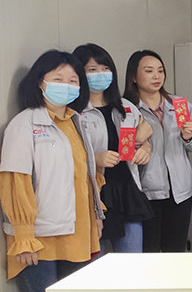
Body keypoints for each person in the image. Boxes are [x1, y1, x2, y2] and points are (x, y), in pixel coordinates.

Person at [0, 50, 104, 292]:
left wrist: (96, 216)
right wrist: (24, 236)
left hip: (78, 235)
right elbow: (16, 182)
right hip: (39, 241)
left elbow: (86, 177)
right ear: (40, 83)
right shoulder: (24, 125)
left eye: (73, 81)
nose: (66, 86)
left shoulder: (77, 122)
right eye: (58, 79)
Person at [74, 43, 154, 253]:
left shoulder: (126, 107)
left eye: (105, 68)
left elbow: (143, 139)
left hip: (127, 191)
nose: (100, 74)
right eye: (92, 69)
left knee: (132, 262)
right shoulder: (74, 112)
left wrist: (145, 148)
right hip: (94, 194)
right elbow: (68, 155)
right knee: (96, 263)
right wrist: (95, 159)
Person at [124, 50, 192, 252]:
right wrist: (138, 140)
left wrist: (189, 137)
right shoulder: (127, 110)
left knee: (175, 252)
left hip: (180, 191)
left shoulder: (179, 105)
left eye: (160, 71)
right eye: (149, 71)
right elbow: (123, 152)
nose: (156, 76)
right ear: (134, 76)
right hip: (147, 192)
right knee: (149, 252)